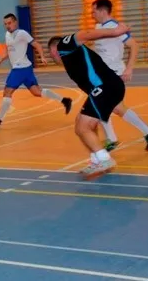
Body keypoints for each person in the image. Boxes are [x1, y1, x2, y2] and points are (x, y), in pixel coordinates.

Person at [48, 22, 132, 180]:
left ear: (54, 49)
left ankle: (105, 159)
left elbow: (85, 34)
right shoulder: (71, 61)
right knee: (83, 124)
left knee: (82, 127)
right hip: (104, 89)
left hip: (105, 87)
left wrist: (115, 32)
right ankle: (96, 160)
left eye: (51, 53)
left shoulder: (63, 45)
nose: (52, 57)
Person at [0, 13, 72, 128]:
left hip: (19, 69)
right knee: (37, 92)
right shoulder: (7, 35)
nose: (7, 26)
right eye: (5, 24)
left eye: (9, 23)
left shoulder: (22, 33)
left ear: (15, 22)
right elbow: (9, 51)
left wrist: (42, 57)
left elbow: (37, 45)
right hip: (26, 68)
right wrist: (1, 59)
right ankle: (65, 100)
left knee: (7, 92)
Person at [90, 0, 148, 151]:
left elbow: (134, 45)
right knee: (116, 107)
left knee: (99, 103)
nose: (92, 14)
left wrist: (129, 68)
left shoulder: (116, 27)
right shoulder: (98, 26)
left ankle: (112, 139)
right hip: (102, 73)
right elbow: (99, 48)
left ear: (102, 11)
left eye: (94, 11)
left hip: (115, 72)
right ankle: (147, 131)